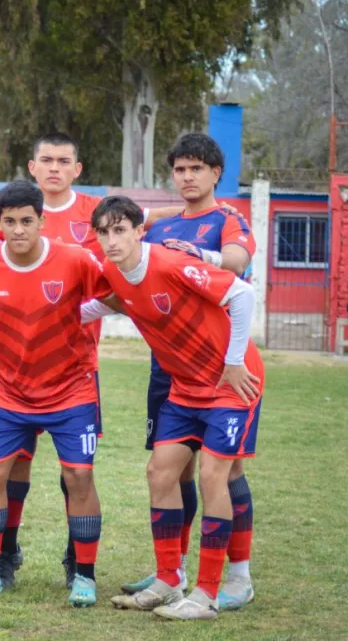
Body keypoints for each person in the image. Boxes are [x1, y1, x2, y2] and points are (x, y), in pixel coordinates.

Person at [0, 132, 184, 586]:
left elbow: (136, 235)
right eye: (46, 160)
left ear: (76, 169)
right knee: (8, 466)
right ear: (32, 167)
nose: (54, 168)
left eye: (63, 161)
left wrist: (196, 214)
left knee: (76, 474)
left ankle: (77, 563)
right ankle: (3, 555)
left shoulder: (93, 216)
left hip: (75, 371)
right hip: (15, 377)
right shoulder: (0, 221)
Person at [85, 196, 264, 621]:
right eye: (104, 232)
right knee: (160, 472)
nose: (112, 240)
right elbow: (99, 305)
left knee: (213, 476)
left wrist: (233, 361)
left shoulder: (169, 262)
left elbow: (242, 294)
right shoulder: (112, 271)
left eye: (120, 230)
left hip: (230, 384)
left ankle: (207, 594)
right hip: (185, 388)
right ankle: (169, 579)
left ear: (138, 230)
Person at [121, 133, 257, 611]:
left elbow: (237, 264)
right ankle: (172, 572)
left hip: (221, 367)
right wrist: (158, 216)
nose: (187, 177)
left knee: (225, 469)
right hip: (169, 368)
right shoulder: (159, 228)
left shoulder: (229, 220)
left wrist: (200, 255)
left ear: (216, 173)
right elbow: (126, 228)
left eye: (196, 168)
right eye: (180, 169)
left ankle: (237, 576)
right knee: (170, 469)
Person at [0, 180, 107, 607]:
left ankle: (84, 575)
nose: (18, 229)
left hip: (71, 388)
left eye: (27, 221)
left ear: (42, 220)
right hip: (11, 389)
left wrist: (80, 314)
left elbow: (115, 296)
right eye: (10, 221)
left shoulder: (76, 259)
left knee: (79, 476)